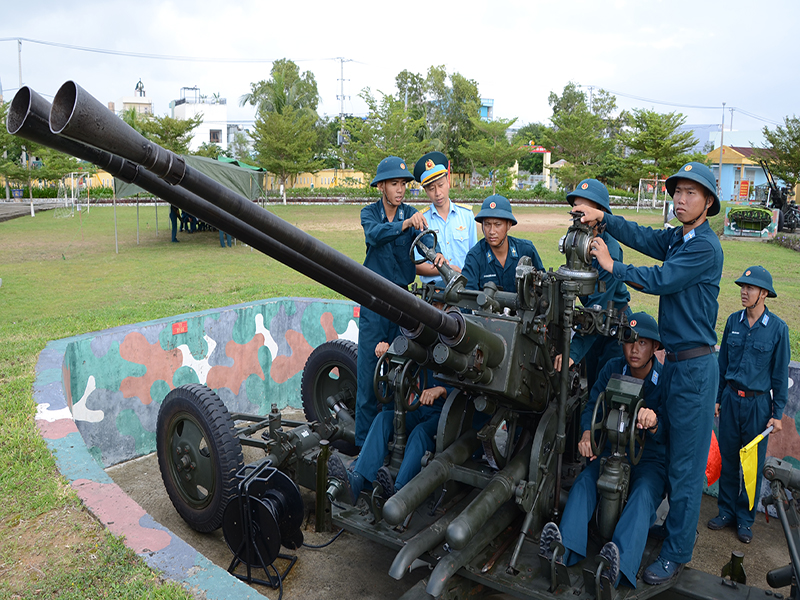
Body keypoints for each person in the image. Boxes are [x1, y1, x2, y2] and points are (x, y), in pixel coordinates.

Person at [573, 161, 724, 585]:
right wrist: (605, 219)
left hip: (694, 367)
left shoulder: (704, 247)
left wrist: (611, 266)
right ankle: (674, 531)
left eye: (691, 193)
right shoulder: (680, 237)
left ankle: (676, 552)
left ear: (708, 202)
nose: (680, 199)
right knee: (672, 454)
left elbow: (660, 279)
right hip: (674, 363)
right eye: (677, 192)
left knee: (686, 467)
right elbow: (643, 237)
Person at [541, 312, 667, 589]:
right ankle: (563, 551)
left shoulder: (666, 380)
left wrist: (655, 423)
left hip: (649, 460)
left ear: (655, 347)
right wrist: (587, 432)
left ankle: (617, 565)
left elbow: (673, 432)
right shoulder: (613, 368)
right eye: (629, 341)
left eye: (643, 343)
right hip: (611, 451)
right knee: (585, 483)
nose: (634, 350)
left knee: (643, 494)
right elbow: (592, 406)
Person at [355, 156, 442, 447]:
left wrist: (435, 252)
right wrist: (405, 224)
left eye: (404, 184)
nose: (401, 189)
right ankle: (363, 447)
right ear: (381, 186)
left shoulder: (413, 215)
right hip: (374, 301)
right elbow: (374, 235)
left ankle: (391, 443)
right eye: (394, 184)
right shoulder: (370, 213)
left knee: (400, 375)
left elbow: (427, 241)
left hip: (403, 303)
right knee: (369, 378)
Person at [709, 266, 790, 543]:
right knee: (729, 459)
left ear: (764, 294)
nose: (744, 291)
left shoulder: (778, 329)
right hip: (731, 400)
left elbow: (779, 376)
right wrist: (718, 398)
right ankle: (726, 512)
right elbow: (722, 365)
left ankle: (745, 519)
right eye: (743, 286)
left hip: (757, 406)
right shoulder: (733, 322)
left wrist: (776, 414)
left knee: (751, 466)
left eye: (751, 288)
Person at [328, 341, 449, 503]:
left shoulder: (457, 344)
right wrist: (389, 354)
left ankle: (398, 491)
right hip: (418, 407)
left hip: (444, 415)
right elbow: (407, 363)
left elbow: (469, 388)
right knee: (384, 419)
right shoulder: (426, 340)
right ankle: (356, 481)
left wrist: (443, 390)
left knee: (420, 433)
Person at [553, 179, 632, 393]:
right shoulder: (576, 243)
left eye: (586, 212)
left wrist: (573, 353)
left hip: (611, 329)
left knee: (605, 391)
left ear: (600, 214)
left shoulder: (610, 251)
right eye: (576, 212)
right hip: (590, 326)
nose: (580, 218)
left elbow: (599, 310)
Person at [412, 152, 477, 288]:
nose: (437, 193)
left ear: (448, 182)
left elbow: (474, 257)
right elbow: (417, 266)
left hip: (464, 288)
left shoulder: (467, 215)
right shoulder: (421, 220)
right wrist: (447, 269)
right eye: (431, 188)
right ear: (425, 190)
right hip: (434, 291)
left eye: (441, 185)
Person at [461, 195, 543, 292]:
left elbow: (542, 287)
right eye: (487, 224)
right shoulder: (475, 257)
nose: (492, 231)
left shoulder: (526, 250)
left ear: (509, 225)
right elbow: (467, 297)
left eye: (498, 224)